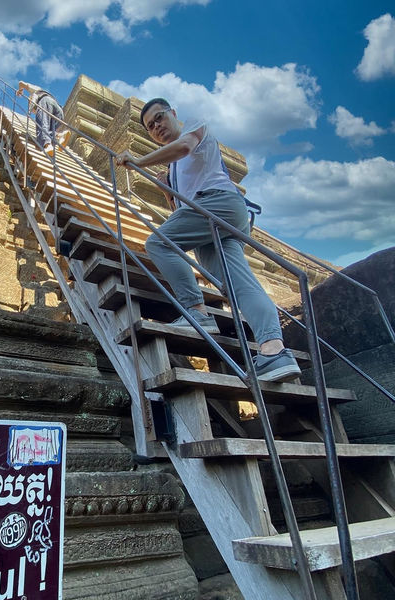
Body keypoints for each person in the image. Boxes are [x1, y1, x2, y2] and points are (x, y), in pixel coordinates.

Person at [115, 98, 300, 383]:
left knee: (158, 243)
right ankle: (274, 351)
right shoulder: (174, 169)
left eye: (159, 118)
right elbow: (180, 213)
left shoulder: (193, 125)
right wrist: (166, 191)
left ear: (173, 114)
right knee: (237, 284)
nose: (156, 127)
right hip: (209, 219)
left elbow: (185, 146)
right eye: (150, 127)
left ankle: (197, 312)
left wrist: (138, 161)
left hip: (218, 203)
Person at [16, 81, 71, 156]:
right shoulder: (42, 99)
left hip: (46, 101)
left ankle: (47, 146)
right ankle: (60, 136)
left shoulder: (36, 91)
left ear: (31, 98)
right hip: (59, 112)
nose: (33, 110)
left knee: (41, 126)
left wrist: (20, 90)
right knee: (49, 130)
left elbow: (20, 83)